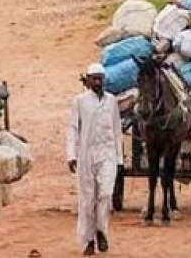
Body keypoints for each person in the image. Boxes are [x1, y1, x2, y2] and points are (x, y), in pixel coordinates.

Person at [66, 63, 123, 256]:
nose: (98, 82)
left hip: (107, 154)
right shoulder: (79, 101)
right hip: (86, 156)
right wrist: (71, 155)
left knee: (105, 194)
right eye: (94, 79)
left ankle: (101, 231)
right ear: (88, 81)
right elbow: (73, 129)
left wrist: (119, 159)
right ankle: (88, 240)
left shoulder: (111, 101)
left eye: (100, 79)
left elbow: (117, 130)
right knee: (87, 200)